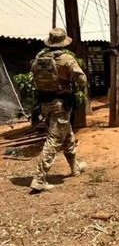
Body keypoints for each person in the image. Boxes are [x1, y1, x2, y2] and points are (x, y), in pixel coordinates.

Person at [30, 28, 87, 192]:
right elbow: (81, 79)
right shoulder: (66, 58)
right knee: (54, 140)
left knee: (68, 136)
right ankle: (39, 179)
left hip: (45, 104)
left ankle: (74, 168)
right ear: (64, 42)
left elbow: (34, 76)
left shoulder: (39, 58)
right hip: (60, 104)